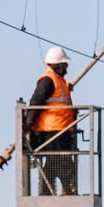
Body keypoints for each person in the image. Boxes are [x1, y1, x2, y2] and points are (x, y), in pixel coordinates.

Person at [22, 46, 77, 196]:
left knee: (53, 162)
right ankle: (71, 193)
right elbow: (36, 102)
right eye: (65, 64)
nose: (66, 67)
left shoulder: (59, 81)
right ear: (58, 64)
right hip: (53, 129)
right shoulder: (48, 80)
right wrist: (28, 124)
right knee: (64, 163)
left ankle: (45, 192)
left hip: (61, 129)